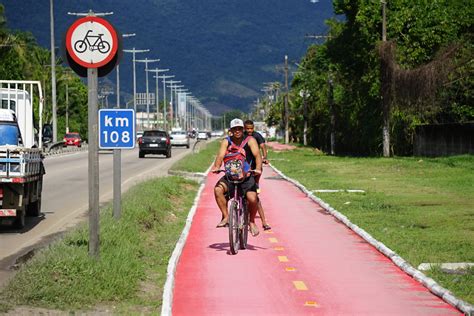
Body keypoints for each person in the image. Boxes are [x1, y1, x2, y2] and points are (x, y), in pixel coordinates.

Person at [211, 118, 263, 237]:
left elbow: (257, 156)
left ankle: (252, 222)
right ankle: (226, 216)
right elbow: (220, 155)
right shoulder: (226, 141)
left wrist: (258, 168)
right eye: (235, 129)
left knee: (252, 198)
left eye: (240, 129)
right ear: (231, 131)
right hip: (230, 175)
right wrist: (217, 166)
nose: (238, 131)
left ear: (243, 129)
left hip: (246, 176)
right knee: (218, 189)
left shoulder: (250, 140)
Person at [244, 120, 271, 230]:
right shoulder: (242, 136)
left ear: (253, 127)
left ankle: (264, 222)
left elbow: (263, 147)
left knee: (255, 194)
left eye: (251, 128)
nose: (249, 131)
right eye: (247, 129)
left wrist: (264, 158)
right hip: (243, 168)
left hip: (256, 168)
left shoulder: (257, 136)